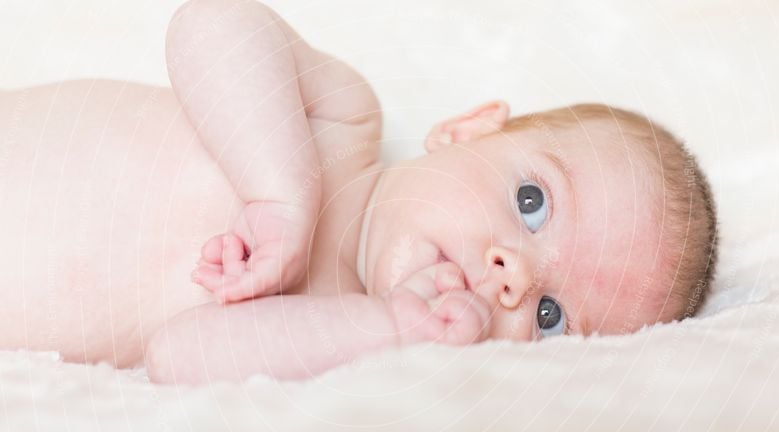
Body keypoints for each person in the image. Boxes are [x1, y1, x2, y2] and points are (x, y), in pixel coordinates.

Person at [0, 0, 717, 384]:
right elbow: (210, 24)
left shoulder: (327, 334)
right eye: (533, 203)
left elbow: (178, 358)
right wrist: (281, 195)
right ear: (467, 131)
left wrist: (396, 333)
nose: (512, 277)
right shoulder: (343, 124)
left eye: (551, 317)